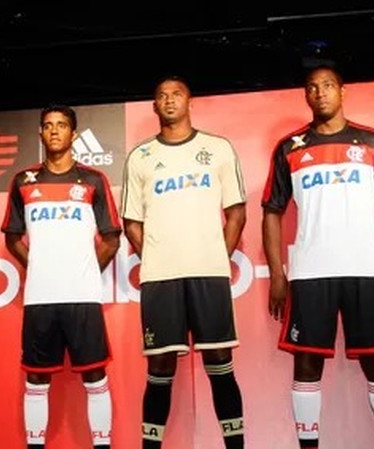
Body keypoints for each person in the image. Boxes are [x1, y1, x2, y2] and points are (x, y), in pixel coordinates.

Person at [262, 65, 374, 449]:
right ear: (306, 96)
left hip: (367, 269)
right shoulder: (289, 148)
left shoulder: (372, 140)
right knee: (306, 364)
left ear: (342, 91)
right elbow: (272, 212)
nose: (320, 93)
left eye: (327, 86)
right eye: (312, 88)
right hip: (311, 273)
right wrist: (278, 276)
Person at [121, 76, 248, 449]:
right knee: (159, 369)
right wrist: (158, 256)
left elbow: (237, 212)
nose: (169, 100)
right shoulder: (140, 157)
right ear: (154, 107)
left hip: (208, 275)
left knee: (220, 363)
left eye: (176, 94)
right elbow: (131, 222)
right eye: (161, 96)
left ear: (190, 101)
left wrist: (214, 255)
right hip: (161, 278)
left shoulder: (218, 148)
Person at [2, 105, 120, 449]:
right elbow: (12, 237)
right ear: (40, 133)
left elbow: (111, 238)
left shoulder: (93, 180)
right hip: (40, 297)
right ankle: (34, 444)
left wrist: (83, 268)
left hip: (83, 297)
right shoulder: (23, 181)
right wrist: (36, 263)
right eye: (48, 126)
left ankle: (103, 444)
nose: (54, 131)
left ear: (73, 134)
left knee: (95, 374)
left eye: (62, 126)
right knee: (37, 378)